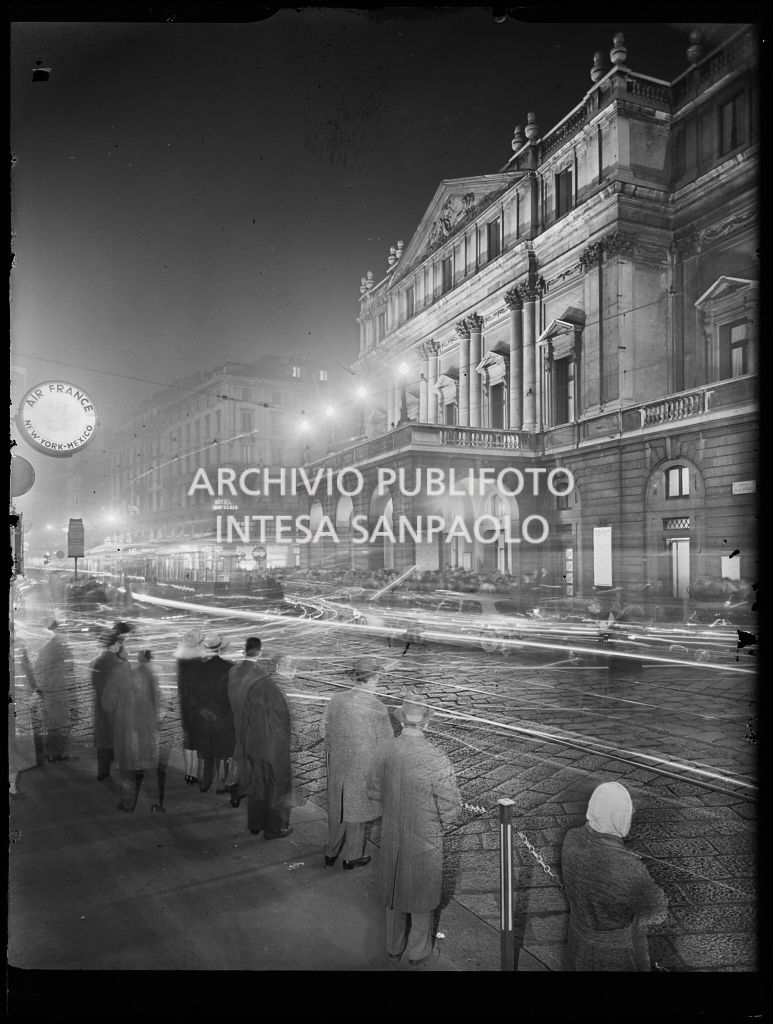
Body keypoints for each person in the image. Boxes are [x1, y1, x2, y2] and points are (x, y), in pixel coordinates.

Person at [366, 698, 462, 968]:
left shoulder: (385, 750)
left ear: (401, 720)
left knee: (395, 892)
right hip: (425, 838)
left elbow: (372, 792)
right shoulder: (435, 755)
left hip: (393, 834)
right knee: (422, 894)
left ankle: (393, 947)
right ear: (427, 722)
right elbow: (451, 807)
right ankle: (418, 952)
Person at [560, 781, 668, 971]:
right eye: (628, 811)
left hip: (577, 945)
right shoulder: (627, 866)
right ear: (619, 816)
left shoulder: (571, 838)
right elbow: (656, 907)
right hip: (614, 956)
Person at [319, 656, 393, 869]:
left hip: (339, 766)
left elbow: (323, 729)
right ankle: (352, 856)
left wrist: (336, 747)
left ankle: (331, 851)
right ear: (375, 677)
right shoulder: (378, 708)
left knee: (338, 809)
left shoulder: (336, 699)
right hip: (362, 769)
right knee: (357, 814)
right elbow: (386, 745)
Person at [236, 651, 293, 839]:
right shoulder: (282, 688)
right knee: (277, 789)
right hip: (275, 749)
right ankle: (274, 828)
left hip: (255, 745)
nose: (294, 669)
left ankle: (255, 823)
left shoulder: (258, 684)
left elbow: (246, 717)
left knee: (258, 787)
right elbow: (286, 723)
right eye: (290, 665)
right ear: (279, 667)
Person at [103, 649, 166, 814]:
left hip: (127, 730)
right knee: (150, 769)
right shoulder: (147, 672)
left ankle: (128, 804)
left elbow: (107, 704)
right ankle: (155, 804)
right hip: (147, 729)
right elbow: (157, 699)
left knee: (127, 770)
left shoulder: (116, 674)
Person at [189, 633, 234, 793]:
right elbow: (229, 695)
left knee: (203, 754)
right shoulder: (229, 668)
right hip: (222, 719)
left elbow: (192, 696)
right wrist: (219, 713)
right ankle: (221, 786)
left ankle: (203, 784)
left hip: (202, 719)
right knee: (222, 755)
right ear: (220, 649)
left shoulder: (197, 669)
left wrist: (204, 712)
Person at [225, 636, 266, 808]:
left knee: (236, 757)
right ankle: (250, 791)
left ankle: (234, 795)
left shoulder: (233, 670)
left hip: (234, 719)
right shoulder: (261, 673)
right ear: (260, 651)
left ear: (245, 649)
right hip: (251, 723)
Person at [90, 621, 133, 781]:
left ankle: (102, 771)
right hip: (116, 708)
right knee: (118, 739)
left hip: (100, 706)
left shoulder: (97, 661)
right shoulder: (118, 664)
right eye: (118, 644)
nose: (120, 646)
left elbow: (94, 683)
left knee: (103, 740)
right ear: (114, 645)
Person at [34, 619, 74, 763]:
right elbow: (40, 669)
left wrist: (42, 688)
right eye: (65, 631)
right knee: (57, 723)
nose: (67, 634)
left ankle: (54, 752)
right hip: (55, 691)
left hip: (55, 691)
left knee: (56, 723)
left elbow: (39, 668)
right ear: (58, 631)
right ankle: (54, 754)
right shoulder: (55, 648)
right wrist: (45, 688)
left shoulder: (53, 647)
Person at [173, 630, 205, 786]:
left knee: (188, 739)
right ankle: (194, 773)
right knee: (197, 740)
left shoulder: (181, 659)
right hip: (197, 705)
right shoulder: (198, 661)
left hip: (185, 704)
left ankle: (188, 773)